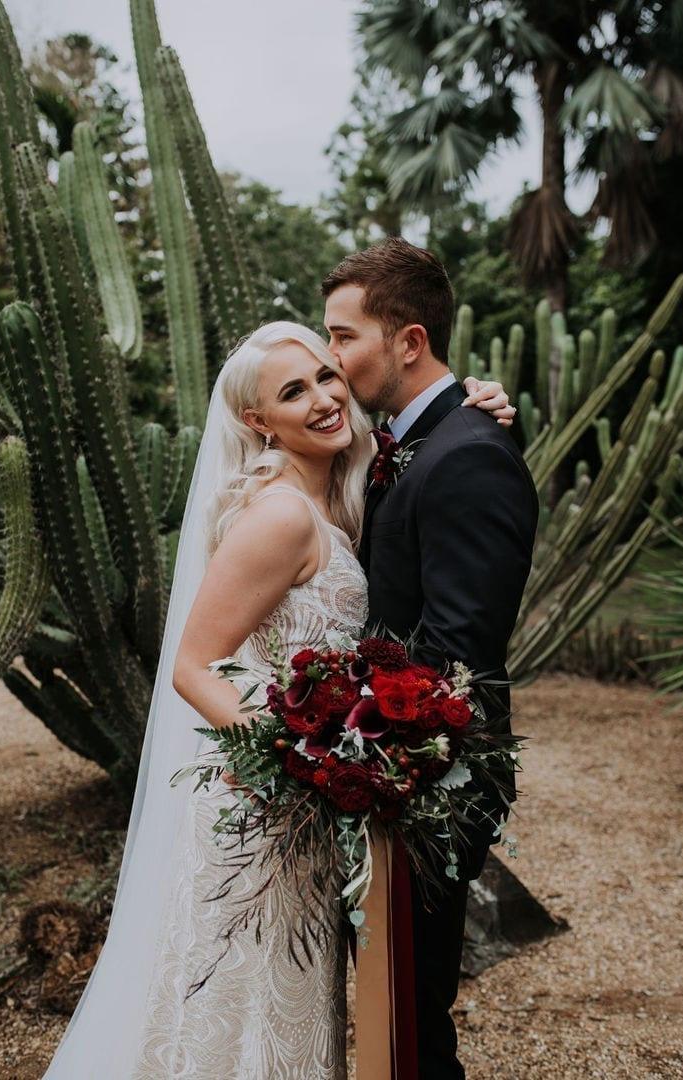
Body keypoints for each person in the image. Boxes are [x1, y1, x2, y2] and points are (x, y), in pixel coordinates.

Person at [41, 315, 514, 1079]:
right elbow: (194, 666)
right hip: (267, 805)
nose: (324, 398)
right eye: (293, 393)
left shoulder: (344, 493)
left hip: (307, 808)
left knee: (292, 1002)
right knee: (240, 1006)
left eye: (326, 375)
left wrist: (473, 406)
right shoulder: (281, 514)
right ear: (257, 422)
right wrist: (304, 759)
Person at [323, 237, 539, 1079]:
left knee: (409, 1023)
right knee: (387, 1011)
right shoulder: (411, 441)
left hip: (422, 781)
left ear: (408, 341)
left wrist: (338, 740)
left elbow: (456, 649)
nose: (331, 359)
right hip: (379, 771)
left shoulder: (469, 456)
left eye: (345, 338)